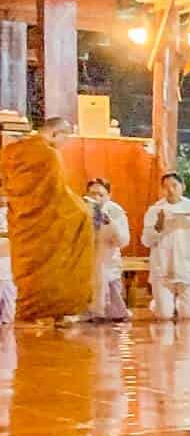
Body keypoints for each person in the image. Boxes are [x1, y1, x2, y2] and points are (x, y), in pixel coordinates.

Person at [1, 117, 93, 322]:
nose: (63, 144)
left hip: (22, 224)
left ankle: (30, 313)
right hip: (44, 226)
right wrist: (82, 209)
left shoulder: (9, 151)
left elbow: (10, 187)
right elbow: (55, 195)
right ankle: (53, 308)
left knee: (27, 273)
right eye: (64, 138)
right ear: (55, 133)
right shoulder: (49, 156)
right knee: (81, 221)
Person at [142, 172, 190, 321]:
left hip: (188, 265)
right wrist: (159, 226)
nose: (170, 190)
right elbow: (146, 241)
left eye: (174, 185)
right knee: (164, 315)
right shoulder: (155, 210)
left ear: (183, 187)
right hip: (163, 267)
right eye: (166, 187)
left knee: (189, 315)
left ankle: (181, 306)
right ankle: (159, 304)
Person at [82, 178, 130, 323]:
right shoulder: (80, 209)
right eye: (92, 194)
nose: (96, 198)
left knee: (115, 314)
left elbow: (123, 241)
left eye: (100, 194)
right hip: (87, 262)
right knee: (89, 310)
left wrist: (110, 223)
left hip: (108, 260)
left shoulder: (116, 211)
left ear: (108, 195)